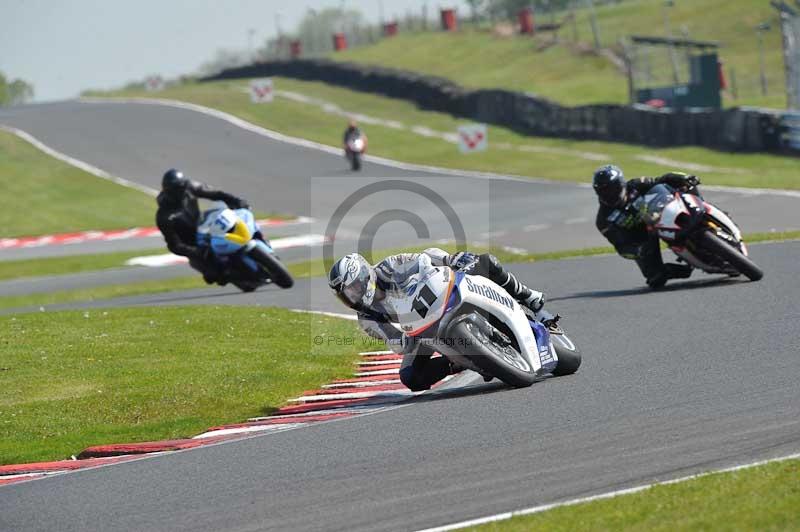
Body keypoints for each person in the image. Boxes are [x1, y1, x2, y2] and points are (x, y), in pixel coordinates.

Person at [328, 249, 546, 391]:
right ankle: (460, 362)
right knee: (410, 377)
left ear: (365, 275)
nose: (353, 296)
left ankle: (526, 295)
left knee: (485, 261)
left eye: (354, 289)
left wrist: (451, 260)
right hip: (420, 330)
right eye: (347, 295)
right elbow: (394, 340)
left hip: (440, 294)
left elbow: (425, 257)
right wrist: (402, 341)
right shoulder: (367, 316)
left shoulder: (389, 267)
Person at [592, 164, 702, 289]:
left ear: (621, 183)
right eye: (603, 190)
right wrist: (637, 251)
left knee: (686, 184)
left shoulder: (636, 184)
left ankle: (704, 211)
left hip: (660, 213)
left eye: (612, 188)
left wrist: (682, 178)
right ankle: (682, 267)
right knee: (655, 278)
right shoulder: (603, 220)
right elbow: (621, 246)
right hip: (644, 237)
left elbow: (660, 180)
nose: (609, 193)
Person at [155, 168, 248, 285]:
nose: (181, 191)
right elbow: (174, 245)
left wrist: (235, 200)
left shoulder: (190, 187)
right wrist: (197, 252)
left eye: (182, 187)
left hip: (205, 228)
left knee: (233, 223)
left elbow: (214, 193)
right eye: (177, 189)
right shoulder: (164, 216)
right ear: (168, 191)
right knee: (214, 276)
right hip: (193, 245)